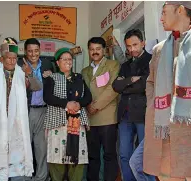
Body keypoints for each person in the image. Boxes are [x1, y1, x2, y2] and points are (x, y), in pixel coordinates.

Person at [131, 2, 191, 181]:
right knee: (166, 175)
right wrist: (155, 107)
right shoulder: (159, 50)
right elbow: (151, 83)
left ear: (180, 10)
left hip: (187, 129)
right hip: (165, 130)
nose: (161, 18)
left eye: (164, 12)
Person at [0, 42, 42, 181]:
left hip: (16, 122)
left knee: (16, 155)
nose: (12, 61)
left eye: (14, 58)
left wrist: (29, 74)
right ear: (2, 59)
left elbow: (37, 87)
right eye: (9, 58)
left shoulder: (21, 71)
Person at [43, 47, 92, 181]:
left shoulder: (79, 78)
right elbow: (47, 97)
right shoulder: (51, 78)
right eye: (64, 59)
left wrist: (79, 104)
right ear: (57, 63)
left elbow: (88, 97)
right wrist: (66, 104)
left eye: (70, 59)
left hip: (76, 123)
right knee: (57, 159)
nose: (68, 62)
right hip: (58, 123)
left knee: (77, 159)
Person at [112, 29, 154, 181]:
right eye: (128, 46)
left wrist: (126, 84)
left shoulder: (152, 60)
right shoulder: (125, 65)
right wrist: (130, 80)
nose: (132, 49)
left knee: (145, 156)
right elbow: (116, 86)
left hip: (143, 114)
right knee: (124, 154)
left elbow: (145, 84)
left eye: (135, 45)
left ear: (143, 42)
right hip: (125, 115)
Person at [82, 37, 120, 181]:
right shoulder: (85, 70)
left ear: (104, 50)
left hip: (108, 117)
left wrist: (95, 106)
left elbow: (113, 88)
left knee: (109, 154)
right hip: (90, 119)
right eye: (92, 49)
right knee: (92, 156)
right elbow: (83, 91)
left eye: (98, 49)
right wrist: (87, 106)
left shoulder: (113, 65)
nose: (95, 52)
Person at [18, 38, 53, 181]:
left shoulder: (46, 64)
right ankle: (24, 177)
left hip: (43, 111)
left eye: (36, 51)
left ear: (40, 51)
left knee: (41, 148)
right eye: (30, 51)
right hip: (25, 111)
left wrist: (51, 76)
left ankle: (41, 177)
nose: (33, 54)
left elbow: (54, 84)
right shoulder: (19, 65)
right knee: (23, 146)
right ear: (25, 52)